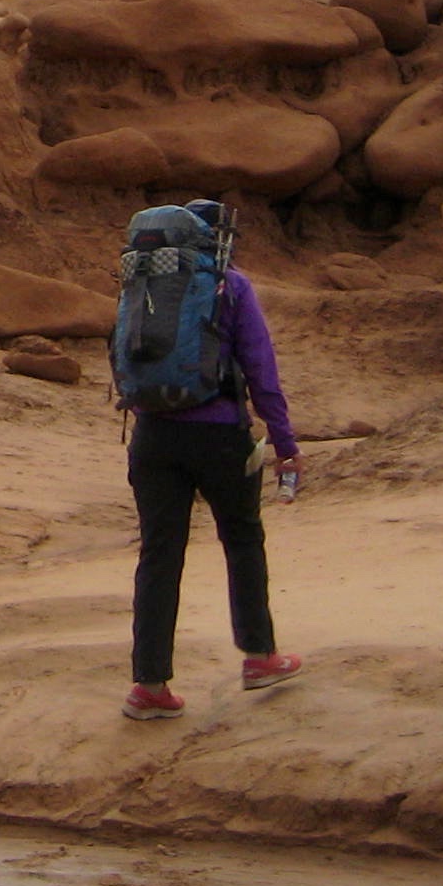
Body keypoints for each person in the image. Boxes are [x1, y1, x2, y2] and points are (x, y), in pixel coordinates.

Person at [122, 224, 301, 722]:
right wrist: (285, 446)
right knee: (242, 539)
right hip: (220, 433)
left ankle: (149, 685)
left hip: (152, 437)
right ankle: (261, 657)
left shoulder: (140, 280)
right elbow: (261, 369)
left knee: (159, 555)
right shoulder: (228, 283)